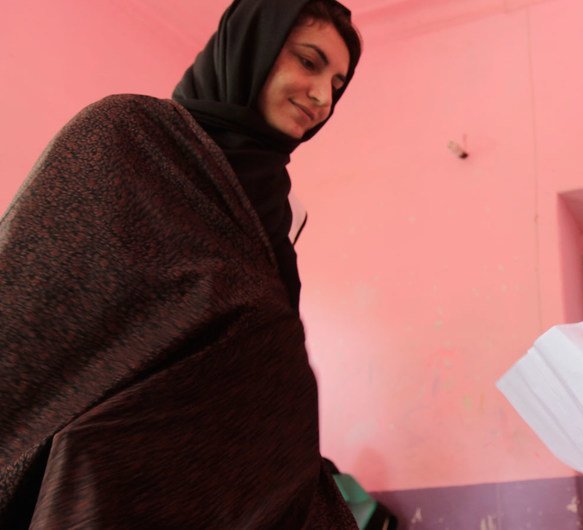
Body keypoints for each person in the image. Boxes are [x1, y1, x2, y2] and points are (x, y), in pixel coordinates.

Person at [0, 0, 362, 527]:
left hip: (240, 486)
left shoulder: (284, 212)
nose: (322, 96)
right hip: (102, 476)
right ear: (248, 50)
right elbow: (31, 305)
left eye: (338, 84)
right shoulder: (127, 134)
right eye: (309, 62)